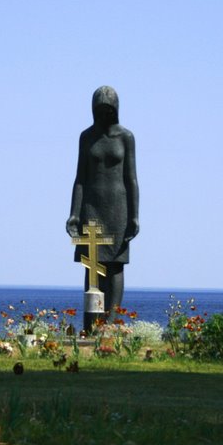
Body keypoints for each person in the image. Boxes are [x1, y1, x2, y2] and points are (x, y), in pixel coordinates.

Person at [66, 85, 139, 315]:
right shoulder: (86, 137)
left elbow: (132, 179)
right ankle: (92, 320)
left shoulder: (126, 137)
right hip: (92, 208)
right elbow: (80, 179)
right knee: (92, 265)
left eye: (109, 109)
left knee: (116, 265)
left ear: (116, 109)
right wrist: (74, 214)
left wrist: (135, 216)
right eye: (100, 110)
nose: (104, 114)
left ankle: (112, 324)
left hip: (119, 209)